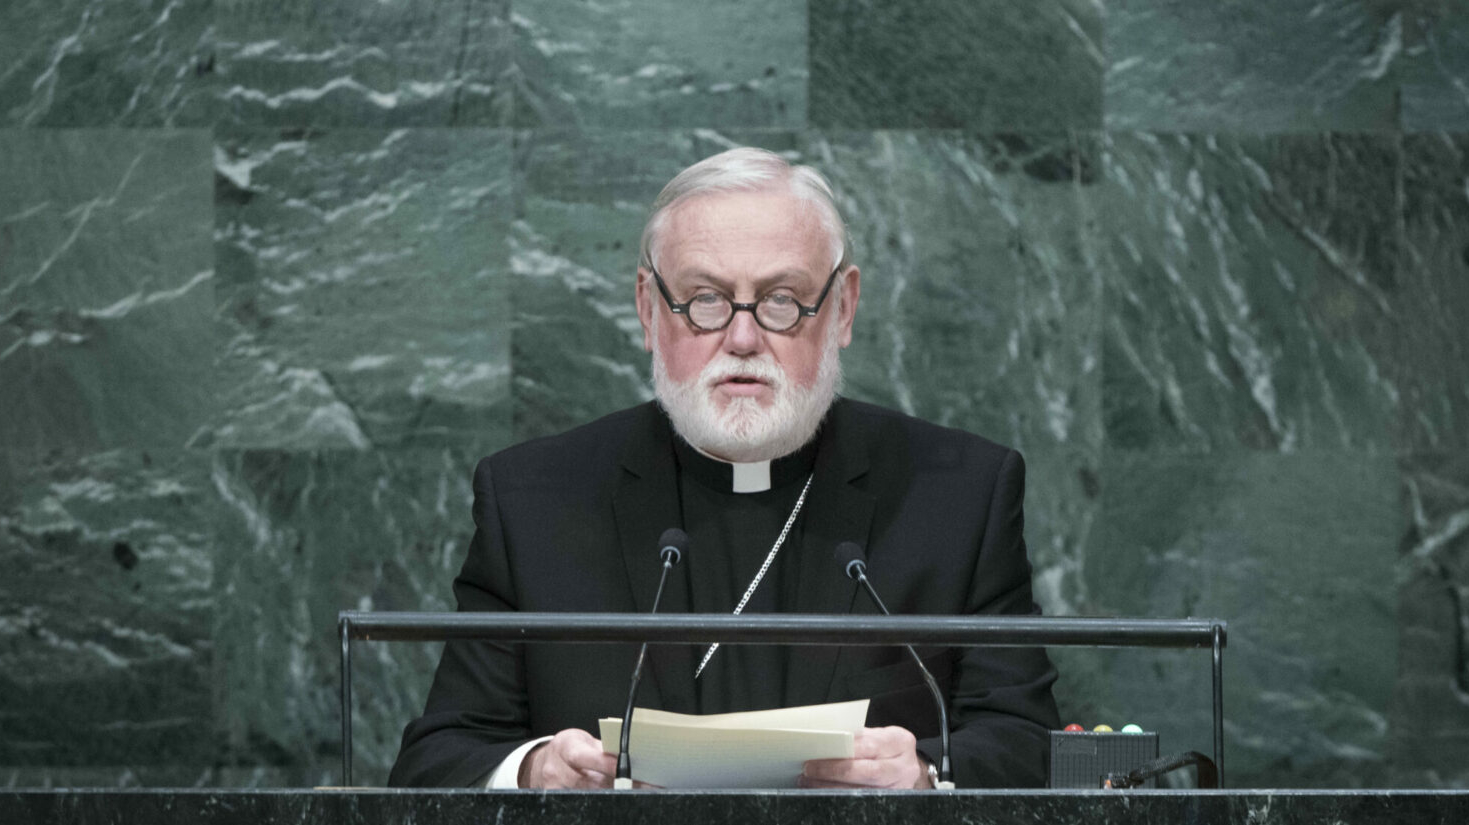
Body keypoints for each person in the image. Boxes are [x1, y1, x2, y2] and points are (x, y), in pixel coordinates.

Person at [389, 147, 1060, 790]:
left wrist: (924, 774)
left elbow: (1029, 742)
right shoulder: (533, 500)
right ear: (650, 310)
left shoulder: (958, 495)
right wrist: (536, 770)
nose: (742, 338)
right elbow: (438, 759)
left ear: (844, 309)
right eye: (706, 299)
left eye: (781, 300)